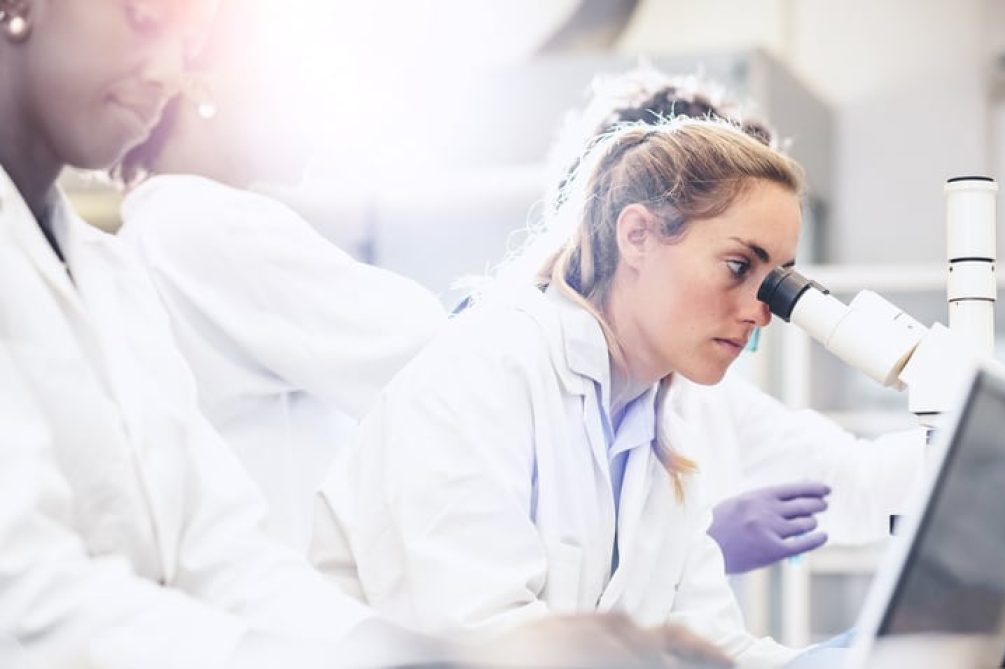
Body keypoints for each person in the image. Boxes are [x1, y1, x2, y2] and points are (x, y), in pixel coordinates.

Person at [0, 1, 429, 666]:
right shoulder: (181, 225)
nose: (173, 72)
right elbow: (25, 600)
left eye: (190, 40)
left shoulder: (110, 272)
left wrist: (436, 655)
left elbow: (224, 555)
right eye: (146, 19)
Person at [310, 117, 808, 666]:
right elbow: (481, 635)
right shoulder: (491, 365)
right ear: (637, 236)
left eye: (775, 285)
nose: (760, 312)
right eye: (739, 266)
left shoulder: (659, 433)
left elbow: (713, 648)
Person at [548, 66, 927, 574]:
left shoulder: (693, 399)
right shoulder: (520, 373)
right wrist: (700, 549)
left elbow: (856, 485)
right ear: (634, 226)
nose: (761, 312)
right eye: (737, 264)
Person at [114, 0, 446, 550]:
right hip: (294, 589)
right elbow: (423, 350)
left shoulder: (153, 230)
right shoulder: (210, 223)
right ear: (197, 84)